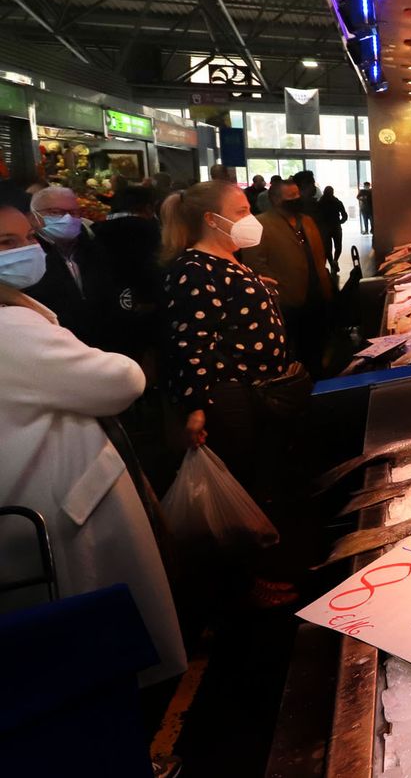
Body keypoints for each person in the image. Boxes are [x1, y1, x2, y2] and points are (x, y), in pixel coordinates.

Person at [0, 192, 186, 685]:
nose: (23, 250)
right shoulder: (11, 327)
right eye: (5, 242)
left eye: (23, 239)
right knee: (92, 646)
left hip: (33, 499)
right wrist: (113, 356)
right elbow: (118, 381)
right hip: (57, 505)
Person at [158, 181, 306, 606]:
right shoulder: (193, 268)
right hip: (227, 396)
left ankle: (255, 572)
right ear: (211, 218)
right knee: (236, 490)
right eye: (240, 211)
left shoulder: (226, 260)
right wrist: (197, 408)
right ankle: (241, 588)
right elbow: (191, 340)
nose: (250, 219)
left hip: (253, 392)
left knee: (257, 481)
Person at [240, 180, 332, 373]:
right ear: (275, 199)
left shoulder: (306, 220)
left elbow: (318, 254)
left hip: (315, 294)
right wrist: (278, 286)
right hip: (285, 299)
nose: (296, 200)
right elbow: (255, 263)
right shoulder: (259, 223)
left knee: (316, 344)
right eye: (290, 198)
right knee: (289, 348)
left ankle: (318, 378)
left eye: (297, 196)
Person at [27, 185, 112, 350]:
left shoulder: (95, 249)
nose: (67, 218)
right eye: (54, 212)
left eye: (73, 213)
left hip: (99, 349)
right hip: (50, 349)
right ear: (33, 217)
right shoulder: (29, 256)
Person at [94, 182, 165, 375]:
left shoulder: (96, 230)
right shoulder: (150, 232)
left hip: (106, 307)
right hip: (144, 306)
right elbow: (151, 270)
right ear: (149, 207)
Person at [316, 186, 349, 276]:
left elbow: (317, 217)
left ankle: (332, 264)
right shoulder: (337, 202)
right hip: (336, 227)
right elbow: (345, 216)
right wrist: (339, 222)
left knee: (327, 248)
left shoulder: (320, 203)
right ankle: (335, 261)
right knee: (338, 246)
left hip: (325, 228)